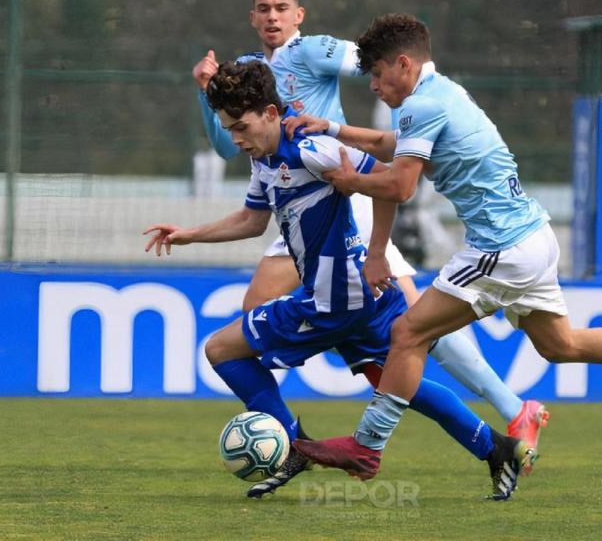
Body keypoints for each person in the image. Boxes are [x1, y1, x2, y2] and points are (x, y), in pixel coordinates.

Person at [289, 14, 602, 480]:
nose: (373, 85)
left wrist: (347, 181)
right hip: (534, 236)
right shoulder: (443, 93)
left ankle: (367, 447)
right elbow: (395, 145)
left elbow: (400, 187)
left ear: (403, 64)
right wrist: (334, 129)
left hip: (501, 248)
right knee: (561, 344)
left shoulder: (420, 106)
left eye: (376, 72)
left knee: (408, 333)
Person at [191, 0, 548, 464]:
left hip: (344, 186)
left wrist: (394, 99)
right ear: (251, 15)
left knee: (413, 327)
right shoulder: (249, 72)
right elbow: (225, 145)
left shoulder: (312, 51)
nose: (272, 17)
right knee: (393, 342)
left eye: (282, 8)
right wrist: (206, 90)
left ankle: (506, 407)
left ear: (298, 14)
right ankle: (496, 435)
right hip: (292, 194)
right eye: (264, 8)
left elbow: (373, 67)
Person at [146, 60, 531, 500]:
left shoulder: (309, 147)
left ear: (270, 113)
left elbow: (387, 179)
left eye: (241, 127)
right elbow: (252, 220)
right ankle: (496, 448)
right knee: (395, 382)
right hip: (360, 296)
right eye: (228, 129)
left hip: (335, 299)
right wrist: (189, 235)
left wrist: (378, 252)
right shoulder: (264, 158)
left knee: (221, 349)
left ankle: (293, 447)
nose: (235, 138)